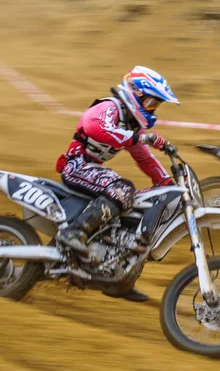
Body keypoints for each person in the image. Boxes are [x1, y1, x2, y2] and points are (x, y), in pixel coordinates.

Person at [54, 66, 180, 301]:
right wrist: (140, 137)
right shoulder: (109, 107)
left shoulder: (131, 125)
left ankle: (118, 278)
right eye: (152, 103)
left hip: (92, 170)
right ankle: (74, 233)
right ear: (136, 94)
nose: (153, 109)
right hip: (76, 165)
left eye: (156, 105)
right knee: (123, 189)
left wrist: (167, 183)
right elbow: (95, 127)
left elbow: (144, 158)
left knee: (138, 212)